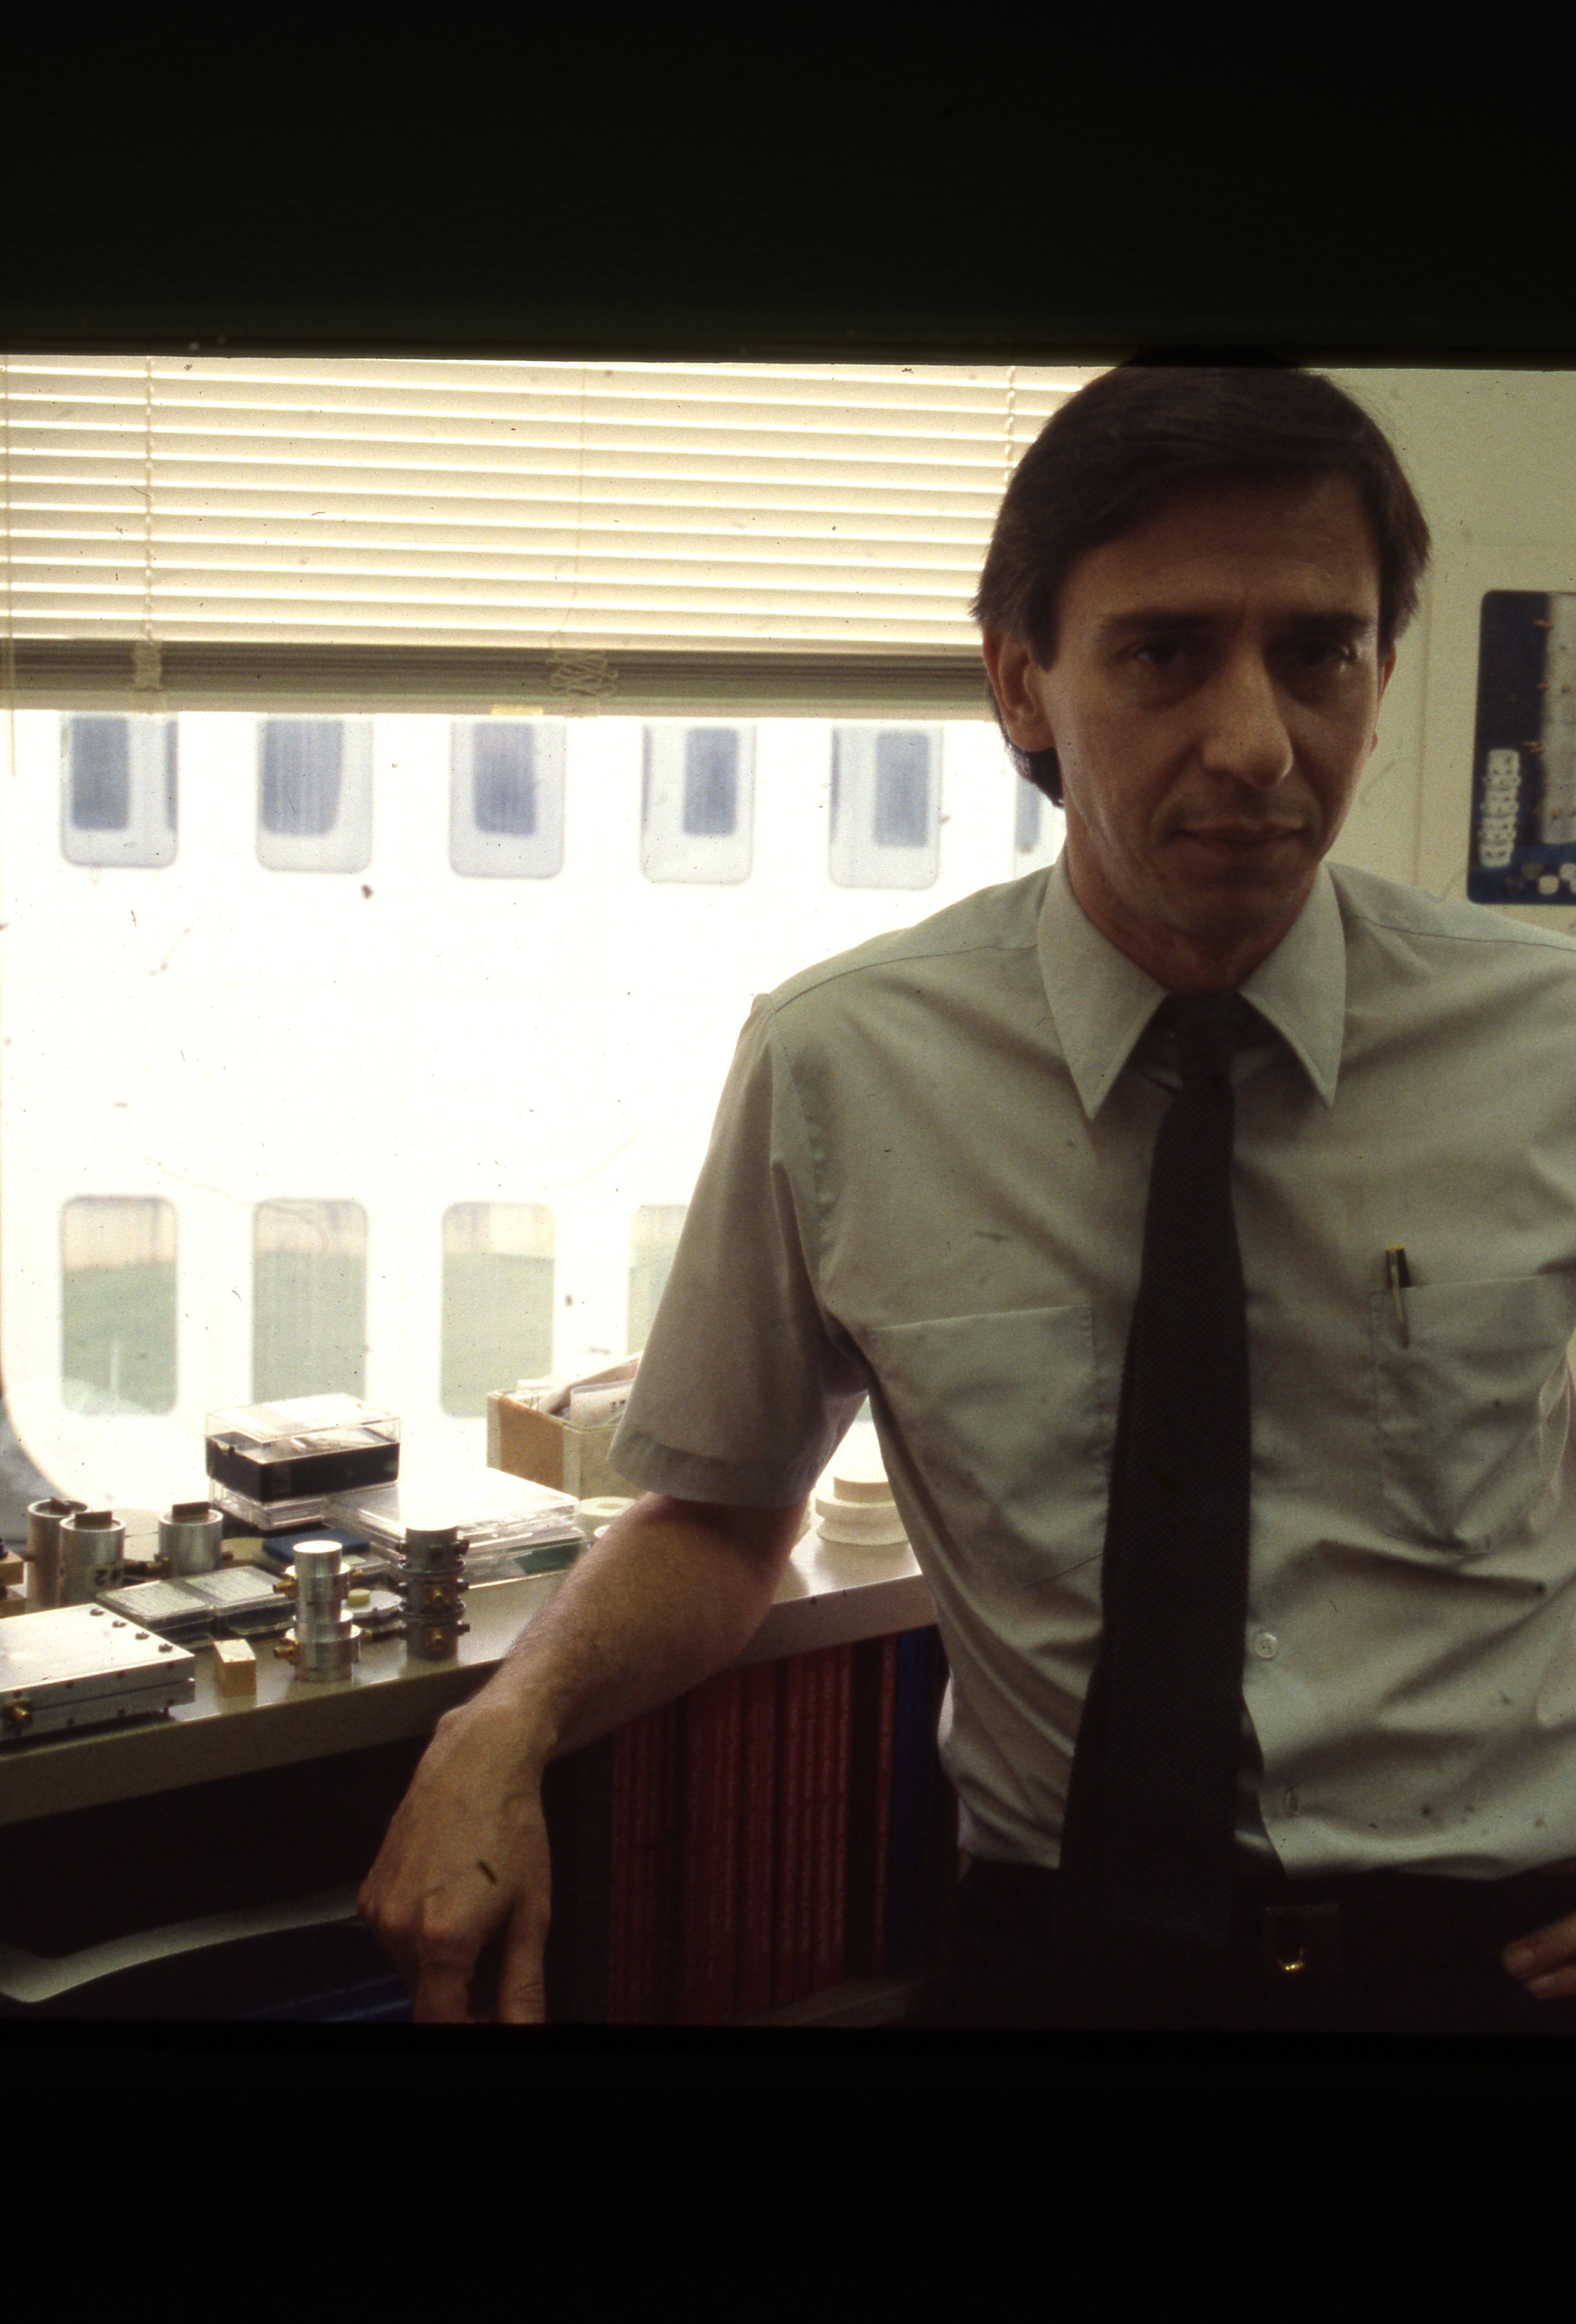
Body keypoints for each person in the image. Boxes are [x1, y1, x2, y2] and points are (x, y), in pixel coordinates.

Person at [360, 361, 1576, 2032]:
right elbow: (718, 1515)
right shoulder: (840, 1065)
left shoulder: (1549, 1039)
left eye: (1321, 653)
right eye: (1163, 653)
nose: (1255, 742)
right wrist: (500, 1722)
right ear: (1020, 684)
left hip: (1490, 1965)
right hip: (1056, 1964)